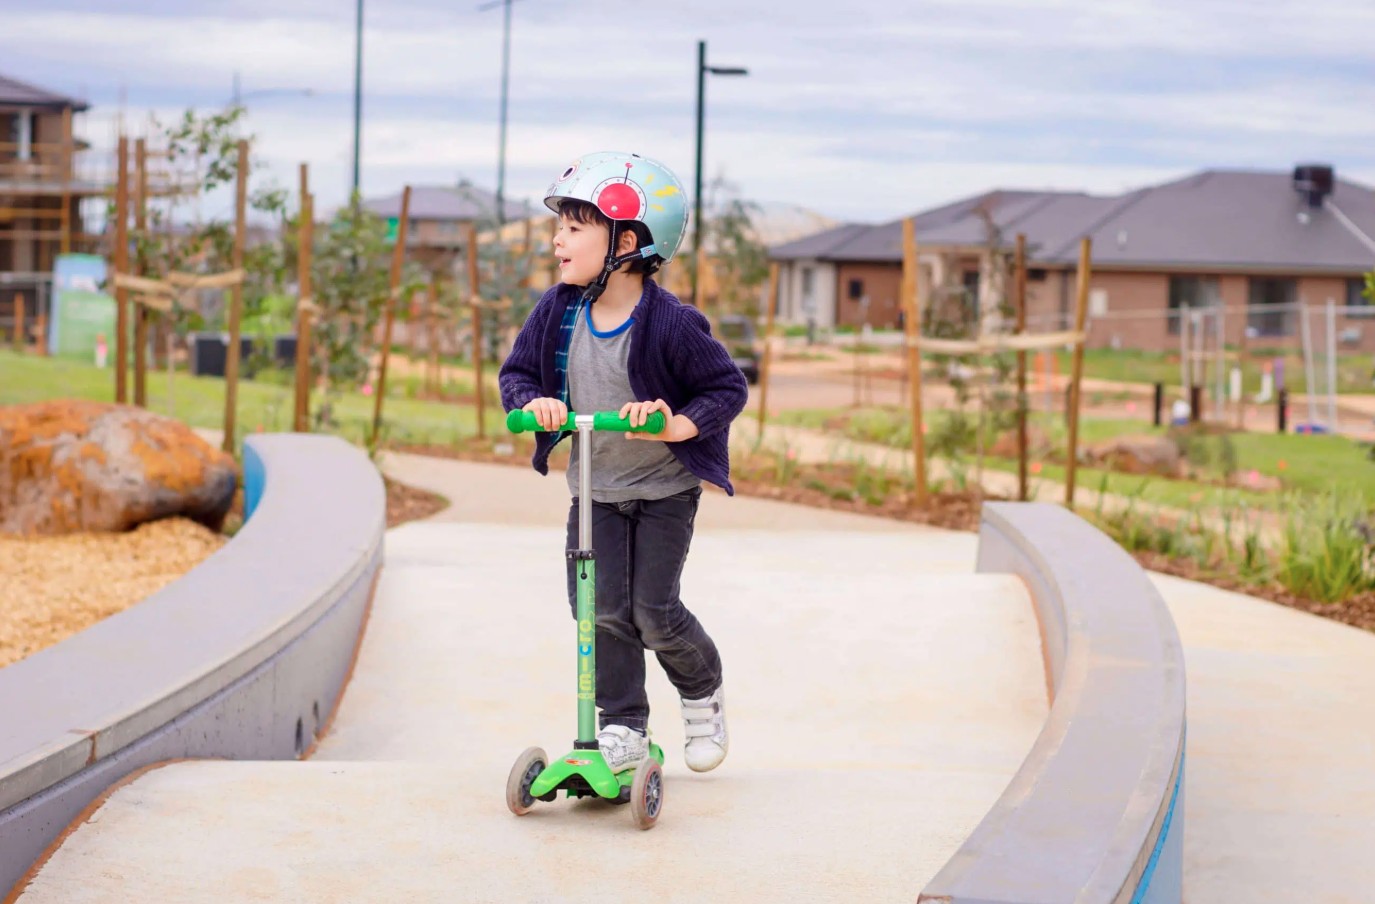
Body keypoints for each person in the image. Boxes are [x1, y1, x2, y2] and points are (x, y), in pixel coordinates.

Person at [498, 151, 749, 774]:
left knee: (654, 613)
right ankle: (623, 729)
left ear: (627, 241)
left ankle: (701, 692)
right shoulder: (558, 310)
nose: (558, 239)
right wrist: (536, 404)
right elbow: (519, 374)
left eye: (575, 228)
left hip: (664, 490)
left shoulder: (672, 323)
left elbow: (725, 388)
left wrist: (676, 423)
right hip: (596, 488)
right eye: (560, 227)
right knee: (599, 610)